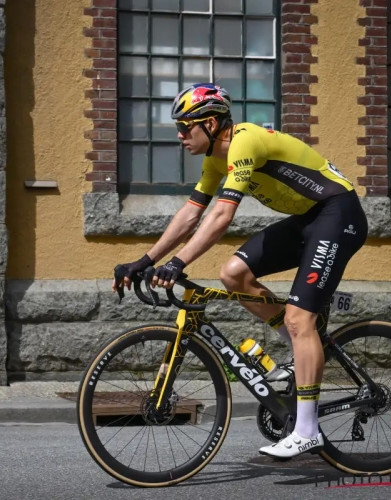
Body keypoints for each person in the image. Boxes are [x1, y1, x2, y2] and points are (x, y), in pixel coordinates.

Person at [112, 83, 368, 459]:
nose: (180, 136)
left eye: (185, 127)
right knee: (233, 273)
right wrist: (145, 261)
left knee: (300, 319)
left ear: (211, 123)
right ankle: (299, 351)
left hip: (339, 214)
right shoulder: (215, 160)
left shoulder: (244, 141)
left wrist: (179, 263)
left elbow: (220, 216)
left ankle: (308, 429)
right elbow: (191, 214)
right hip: (309, 218)